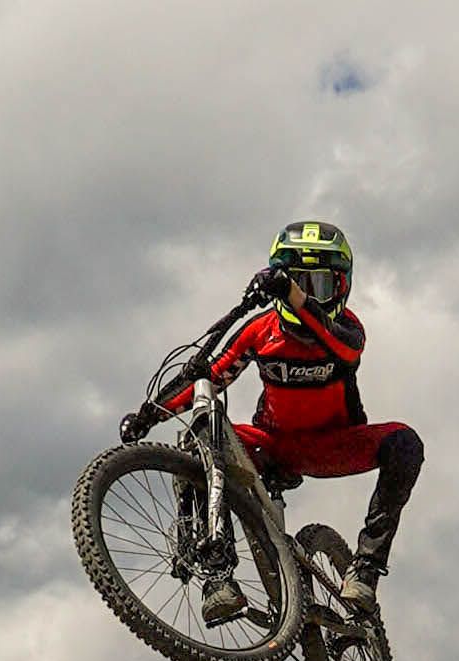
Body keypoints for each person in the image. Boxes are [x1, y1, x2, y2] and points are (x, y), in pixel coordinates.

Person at [132, 221, 424, 622]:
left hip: (333, 444)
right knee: (201, 433)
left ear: (342, 288)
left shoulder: (348, 329)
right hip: (270, 443)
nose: (307, 293)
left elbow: (343, 349)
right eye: (299, 282)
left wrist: (293, 294)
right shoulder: (260, 330)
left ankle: (366, 569)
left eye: (320, 286)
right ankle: (217, 575)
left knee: (405, 442)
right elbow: (209, 375)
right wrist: (148, 415)